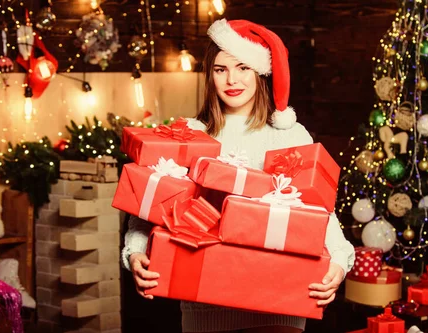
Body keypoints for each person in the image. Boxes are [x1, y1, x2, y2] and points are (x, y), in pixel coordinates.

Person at [122, 19, 355, 333]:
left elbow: (320, 209)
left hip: (279, 308)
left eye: (243, 67)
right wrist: (136, 254)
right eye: (220, 69)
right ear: (210, 75)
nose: (232, 79)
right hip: (205, 308)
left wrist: (339, 263)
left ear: (260, 72)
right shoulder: (191, 134)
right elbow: (150, 202)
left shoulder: (288, 136)